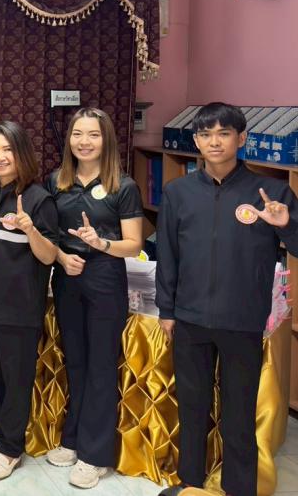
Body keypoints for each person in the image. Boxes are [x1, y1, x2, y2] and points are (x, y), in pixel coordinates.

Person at [156, 102, 298, 496]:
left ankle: (239, 488)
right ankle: (190, 483)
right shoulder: (178, 192)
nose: (214, 142)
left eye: (223, 133)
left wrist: (286, 225)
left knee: (239, 413)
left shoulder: (271, 193)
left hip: (242, 320)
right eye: (205, 134)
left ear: (242, 138)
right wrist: (167, 309)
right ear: (196, 141)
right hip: (190, 319)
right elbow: (167, 253)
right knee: (192, 407)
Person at [45, 108, 143, 489]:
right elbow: (48, 235)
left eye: (93, 135)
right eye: (77, 134)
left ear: (107, 140)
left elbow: (133, 244)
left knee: (101, 366)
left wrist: (101, 243)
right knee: (76, 362)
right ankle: (73, 439)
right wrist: (60, 256)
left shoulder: (123, 186)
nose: (84, 141)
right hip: (67, 276)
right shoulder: (57, 181)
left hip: (104, 276)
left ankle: (96, 454)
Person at [0, 121, 59, 482]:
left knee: (15, 380)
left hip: (18, 307)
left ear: (21, 153)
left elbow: (48, 256)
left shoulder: (38, 198)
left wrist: (30, 228)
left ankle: (11, 448)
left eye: (7, 149)